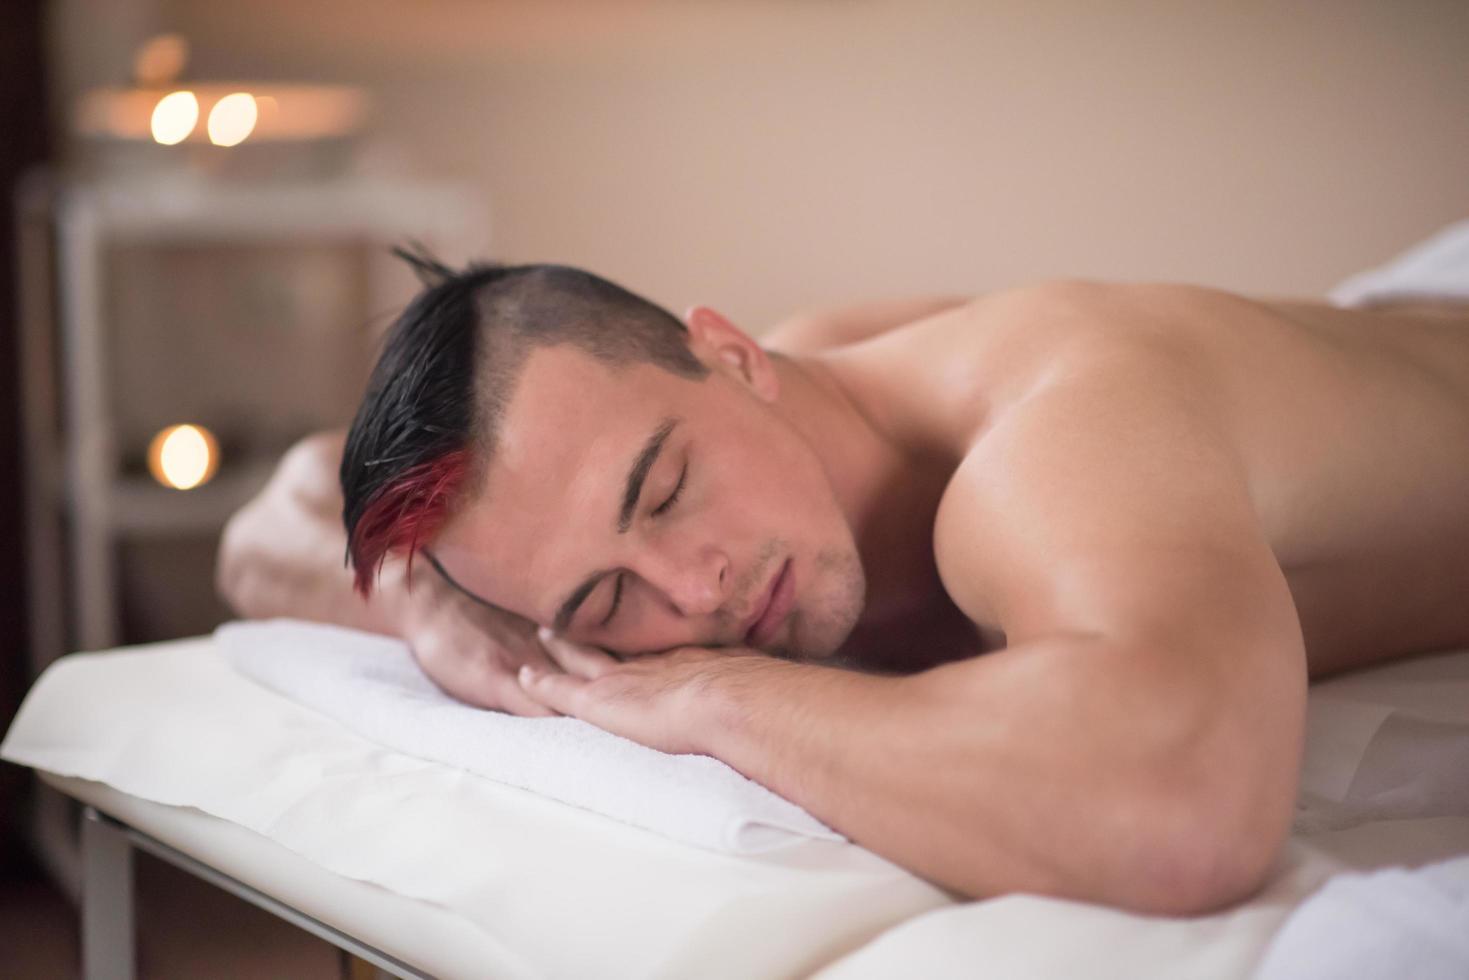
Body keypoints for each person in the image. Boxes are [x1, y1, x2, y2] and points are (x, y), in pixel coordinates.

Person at [216, 252, 1469, 916]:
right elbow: (265, 526)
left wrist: (719, 702)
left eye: (661, 490)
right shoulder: (682, 432)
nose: (686, 587)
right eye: (601, 601)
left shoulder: (1040, 440)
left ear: (732, 352)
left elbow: (1179, 804)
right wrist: (434, 601)